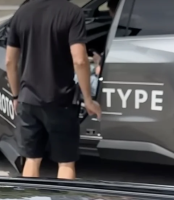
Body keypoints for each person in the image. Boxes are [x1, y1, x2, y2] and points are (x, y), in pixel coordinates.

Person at [6, 0, 102, 179]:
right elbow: (80, 60)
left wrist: (16, 95)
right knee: (65, 162)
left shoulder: (22, 13)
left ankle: (29, 197)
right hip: (61, 101)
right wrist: (88, 100)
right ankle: (63, 198)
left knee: (32, 159)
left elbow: (10, 61)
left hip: (28, 100)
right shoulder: (72, 13)